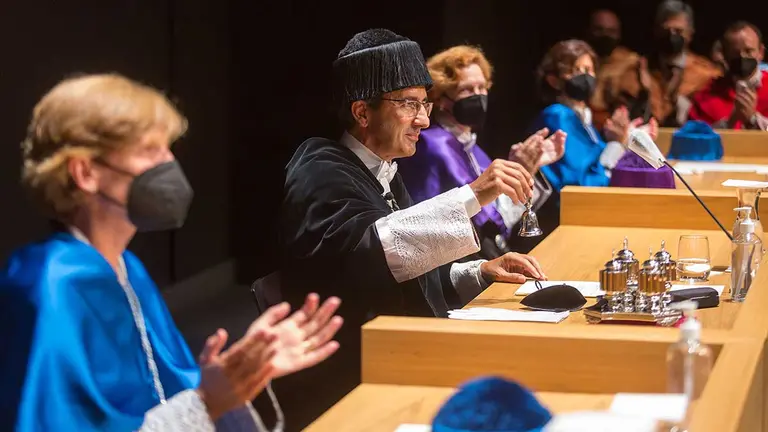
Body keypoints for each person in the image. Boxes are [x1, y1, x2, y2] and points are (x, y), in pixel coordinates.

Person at [0, 73, 343, 432]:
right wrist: (208, 400)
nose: (169, 166)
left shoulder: (125, 267)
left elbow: (168, 396)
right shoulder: (48, 285)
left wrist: (242, 374)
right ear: (85, 172)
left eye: (167, 149)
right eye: (150, 151)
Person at [280, 28, 547, 423]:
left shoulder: (383, 168)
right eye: (409, 104)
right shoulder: (319, 167)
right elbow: (368, 256)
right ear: (361, 111)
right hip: (350, 374)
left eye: (424, 104)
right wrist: (472, 194)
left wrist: (478, 272)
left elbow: (408, 268)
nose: (423, 119)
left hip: (393, 347)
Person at [397, 45, 566, 259]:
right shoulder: (436, 145)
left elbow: (496, 216)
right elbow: (487, 221)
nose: (478, 96)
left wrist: (528, 168)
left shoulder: (468, 143)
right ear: (440, 97)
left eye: (482, 88)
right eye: (467, 90)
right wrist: (521, 170)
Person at [529, 39, 658, 196]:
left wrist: (629, 136)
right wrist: (616, 143)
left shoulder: (582, 117)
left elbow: (599, 160)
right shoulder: (558, 115)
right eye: (575, 70)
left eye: (588, 70)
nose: (584, 76)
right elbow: (585, 182)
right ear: (554, 80)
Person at [603, 0, 720, 126]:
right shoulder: (636, 70)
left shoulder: (707, 75)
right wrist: (644, 95)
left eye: (678, 31)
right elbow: (622, 117)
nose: (672, 36)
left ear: (690, 33)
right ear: (656, 30)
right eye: (666, 30)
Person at [689, 21, 768, 130]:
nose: (742, 57)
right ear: (725, 55)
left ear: (761, 52)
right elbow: (696, 137)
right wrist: (731, 122)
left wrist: (753, 119)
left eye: (749, 51)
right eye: (735, 53)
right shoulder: (707, 94)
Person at [585, 9, 639, 129]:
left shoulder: (629, 62)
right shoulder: (579, 59)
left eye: (611, 31)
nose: (605, 35)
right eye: (599, 30)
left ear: (619, 34)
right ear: (588, 31)